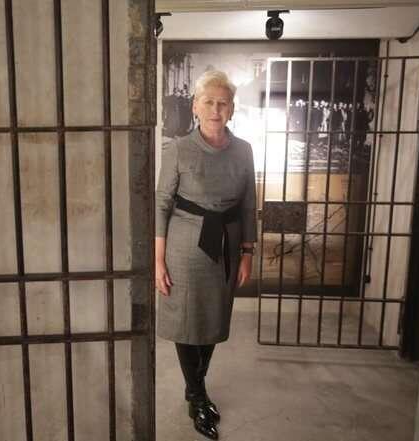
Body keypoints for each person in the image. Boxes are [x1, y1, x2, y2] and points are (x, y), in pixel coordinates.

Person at [155, 70, 257, 440]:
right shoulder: (178, 149)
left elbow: (249, 204)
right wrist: (158, 260)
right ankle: (197, 395)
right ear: (195, 107)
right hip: (185, 246)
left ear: (232, 109)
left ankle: (195, 390)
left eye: (223, 103)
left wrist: (248, 252)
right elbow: (161, 203)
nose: (216, 109)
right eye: (208, 102)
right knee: (187, 319)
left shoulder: (243, 150)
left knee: (212, 319)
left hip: (226, 245)